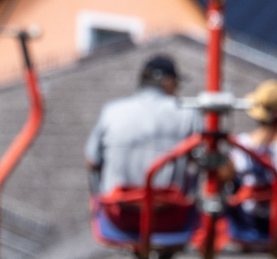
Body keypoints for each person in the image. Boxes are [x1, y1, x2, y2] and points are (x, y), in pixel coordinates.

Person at [84, 53, 200, 195]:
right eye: (177, 84)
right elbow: (205, 157)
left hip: (118, 211)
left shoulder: (112, 110)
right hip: (168, 212)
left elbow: (91, 160)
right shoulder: (187, 113)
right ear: (168, 81)